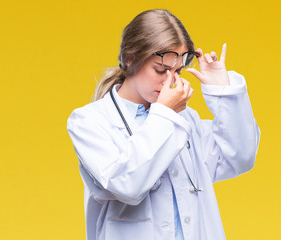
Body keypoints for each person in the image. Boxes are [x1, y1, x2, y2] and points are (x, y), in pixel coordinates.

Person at [67, 9, 260, 240]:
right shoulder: (89, 121)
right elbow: (127, 186)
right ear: (130, 58)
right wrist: (166, 114)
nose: (171, 80)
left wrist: (223, 91)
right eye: (161, 70)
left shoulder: (185, 118)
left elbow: (240, 157)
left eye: (177, 71)